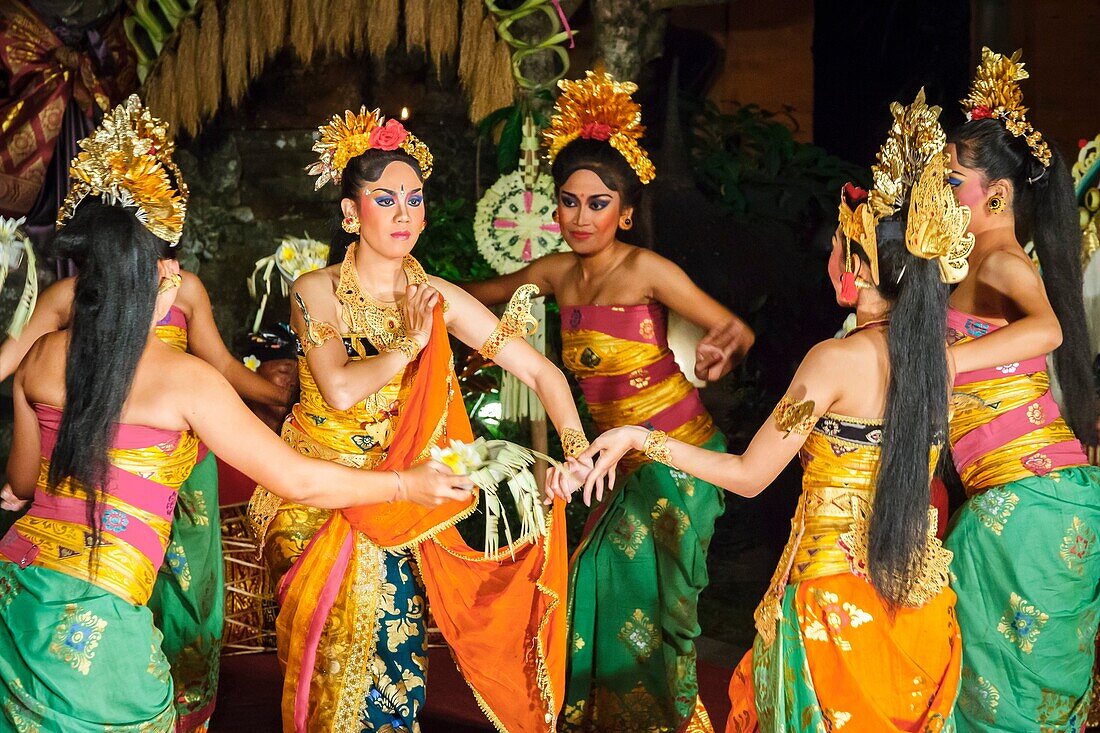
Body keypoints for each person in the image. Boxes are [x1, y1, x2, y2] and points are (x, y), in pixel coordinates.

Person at [0, 95, 469, 733]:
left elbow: (24, 485)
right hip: (101, 621)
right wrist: (405, 484)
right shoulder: (185, 383)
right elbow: (297, 481)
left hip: (16, 591)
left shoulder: (42, 359)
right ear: (163, 272)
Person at [578, 90, 969, 731]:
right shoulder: (940, 360)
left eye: (840, 247)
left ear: (863, 265)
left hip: (830, 601)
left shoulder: (834, 360)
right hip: (917, 602)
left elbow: (750, 474)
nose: (829, 259)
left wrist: (640, 439)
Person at [248, 107, 588, 732]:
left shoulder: (438, 295)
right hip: (315, 493)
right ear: (351, 213)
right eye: (385, 199)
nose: (404, 214)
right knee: (337, 658)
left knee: (396, 650)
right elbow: (341, 389)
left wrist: (575, 453)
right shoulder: (314, 290)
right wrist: (407, 345)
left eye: (414, 199)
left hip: (403, 494)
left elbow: (543, 374)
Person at [464, 70, 754, 731]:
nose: (580, 216)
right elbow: (483, 291)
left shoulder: (646, 269)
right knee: (599, 578)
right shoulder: (555, 275)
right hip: (614, 462)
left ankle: (664, 720)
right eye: (569, 201)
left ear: (625, 210)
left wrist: (719, 350)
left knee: (636, 591)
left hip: (680, 457)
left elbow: (732, 326)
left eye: (598, 203)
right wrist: (411, 284)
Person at [0, 119, 292, 733]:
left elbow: (216, 364)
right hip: (93, 461)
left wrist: (272, 391)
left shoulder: (183, 291)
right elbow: (18, 365)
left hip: (181, 458)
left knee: (187, 591)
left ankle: (181, 696)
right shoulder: (68, 301)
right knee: (110, 584)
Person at [942, 48, 1100, 731]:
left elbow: (1048, 331)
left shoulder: (1003, 258)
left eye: (952, 182)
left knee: (1001, 700)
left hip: (1026, 503)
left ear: (996, 196)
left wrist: (948, 363)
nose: (940, 195)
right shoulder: (967, 260)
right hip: (1020, 501)